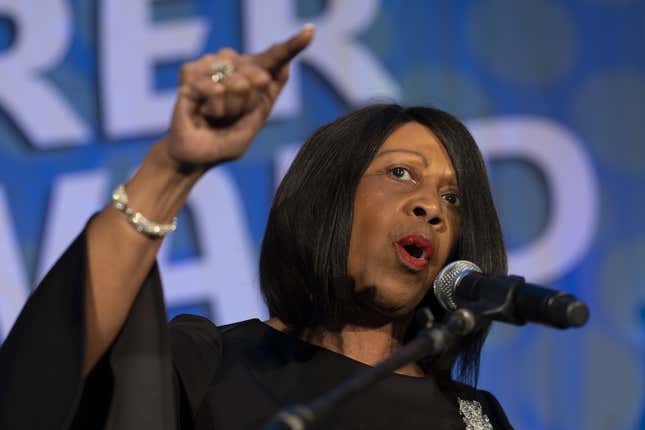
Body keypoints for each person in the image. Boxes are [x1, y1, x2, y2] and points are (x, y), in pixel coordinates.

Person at [0, 25, 512, 429]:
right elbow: (39, 382)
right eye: (400, 174)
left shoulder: (473, 417)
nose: (432, 207)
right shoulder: (211, 365)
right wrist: (173, 167)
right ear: (329, 197)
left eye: (451, 198)